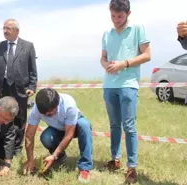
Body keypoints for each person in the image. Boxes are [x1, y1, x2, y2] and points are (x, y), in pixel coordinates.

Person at [100, 0, 151, 183]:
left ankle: (132, 167)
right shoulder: (107, 33)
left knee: (129, 126)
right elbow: (103, 58)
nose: (116, 20)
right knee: (114, 125)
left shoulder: (138, 28)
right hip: (109, 85)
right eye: (113, 16)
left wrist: (124, 63)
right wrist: (106, 65)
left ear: (128, 13)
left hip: (129, 84)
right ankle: (115, 160)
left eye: (120, 16)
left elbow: (147, 55)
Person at [0, 19, 38, 156]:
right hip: (2, 87)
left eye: (8, 28)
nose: (5, 31)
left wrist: (32, 86)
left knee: (20, 118)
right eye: (3, 28)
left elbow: (32, 69)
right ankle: (2, 146)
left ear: (17, 31)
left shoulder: (27, 46)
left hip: (20, 88)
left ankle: (17, 148)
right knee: (2, 116)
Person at [22, 88, 93, 183]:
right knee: (46, 137)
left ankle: (85, 168)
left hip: (74, 127)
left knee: (85, 126)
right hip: (57, 129)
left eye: (50, 112)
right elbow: (29, 135)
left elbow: (69, 135)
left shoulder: (69, 104)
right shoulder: (37, 109)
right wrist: (30, 159)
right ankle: (61, 157)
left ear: (58, 104)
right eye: (44, 113)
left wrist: (54, 155)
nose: (47, 114)